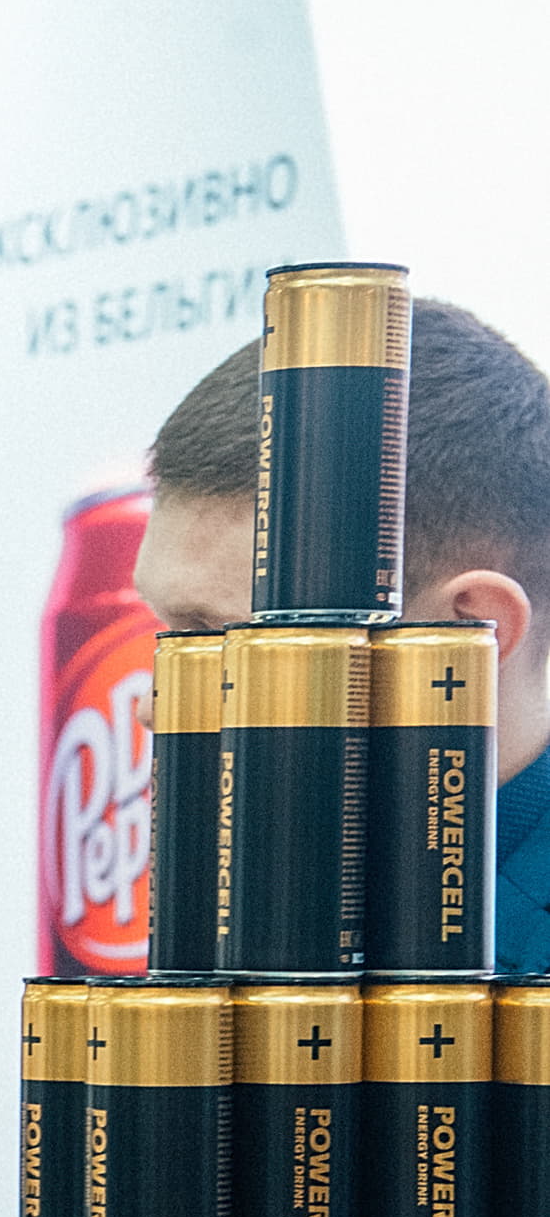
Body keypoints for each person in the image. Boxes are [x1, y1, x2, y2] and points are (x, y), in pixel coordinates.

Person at [137, 298, 550, 966]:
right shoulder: (252, 895)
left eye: (225, 639)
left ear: (472, 630)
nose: (152, 707)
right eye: (169, 634)